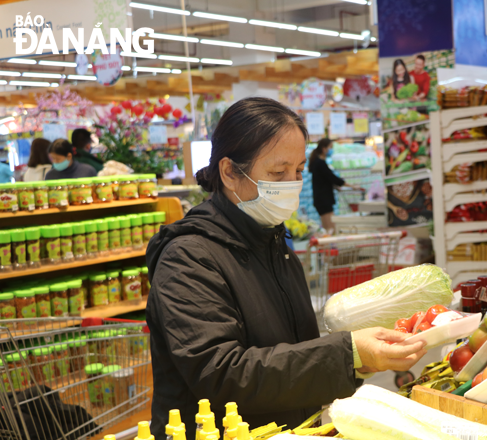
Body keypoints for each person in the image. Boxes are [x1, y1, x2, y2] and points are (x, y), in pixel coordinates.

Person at [145, 98, 427, 440]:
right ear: (230, 172)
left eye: (298, 172)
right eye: (278, 173)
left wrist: (358, 360)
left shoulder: (273, 242)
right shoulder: (188, 258)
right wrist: (346, 353)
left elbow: (289, 351)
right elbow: (220, 372)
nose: (291, 184)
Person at [308, 138, 359, 233]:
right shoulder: (320, 163)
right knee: (330, 229)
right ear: (324, 149)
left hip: (322, 200)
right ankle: (330, 247)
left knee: (329, 228)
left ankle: (329, 246)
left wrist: (335, 186)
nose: (332, 150)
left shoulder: (318, 162)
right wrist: (351, 186)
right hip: (323, 200)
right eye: (330, 147)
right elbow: (332, 178)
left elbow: (325, 180)